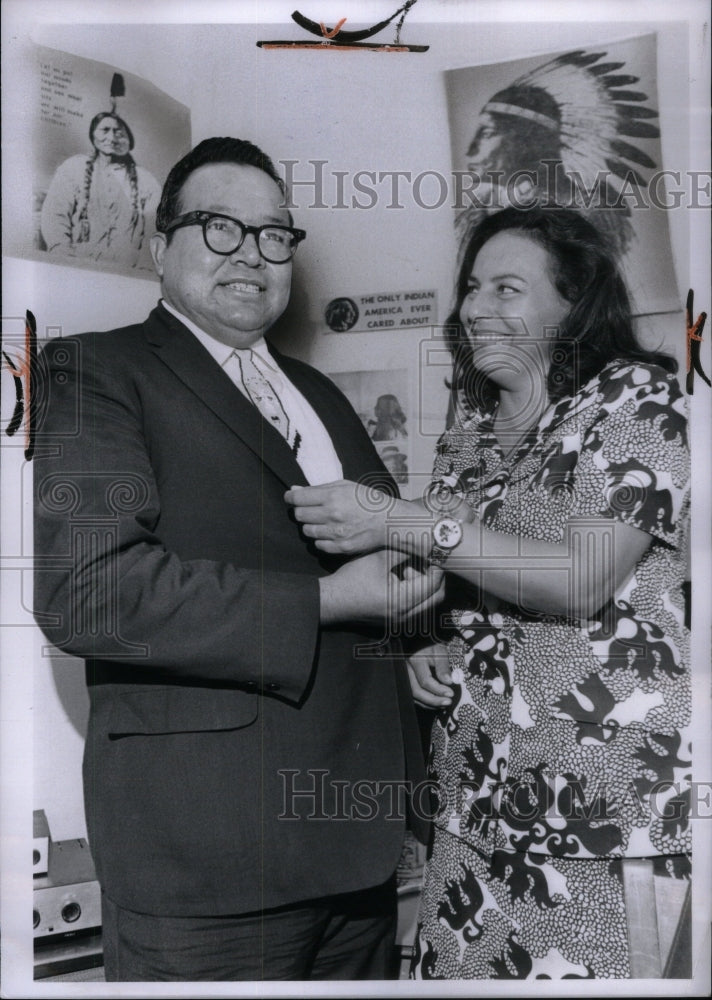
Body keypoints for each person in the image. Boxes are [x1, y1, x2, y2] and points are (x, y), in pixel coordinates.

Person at [33, 136, 444, 981]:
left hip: (357, 859)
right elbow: (89, 594)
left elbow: (381, 557)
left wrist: (417, 627)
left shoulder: (320, 394)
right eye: (220, 227)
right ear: (159, 243)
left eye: (273, 234)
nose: (251, 254)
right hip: (207, 871)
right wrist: (333, 601)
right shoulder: (95, 369)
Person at [285, 205, 691, 979]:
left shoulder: (639, 399)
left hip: (609, 824)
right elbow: (467, 569)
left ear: (574, 309)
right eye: (472, 287)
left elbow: (580, 578)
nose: (476, 308)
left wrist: (399, 519)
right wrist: (426, 638)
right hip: (473, 812)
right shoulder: (470, 425)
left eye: (508, 288)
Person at [40, 111, 161, 268]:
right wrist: (63, 256)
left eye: (118, 132)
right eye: (105, 130)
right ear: (93, 136)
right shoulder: (73, 169)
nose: (111, 138)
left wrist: (144, 269)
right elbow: (55, 216)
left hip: (126, 273)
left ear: (128, 141)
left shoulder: (147, 181)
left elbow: (152, 231)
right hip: (78, 266)